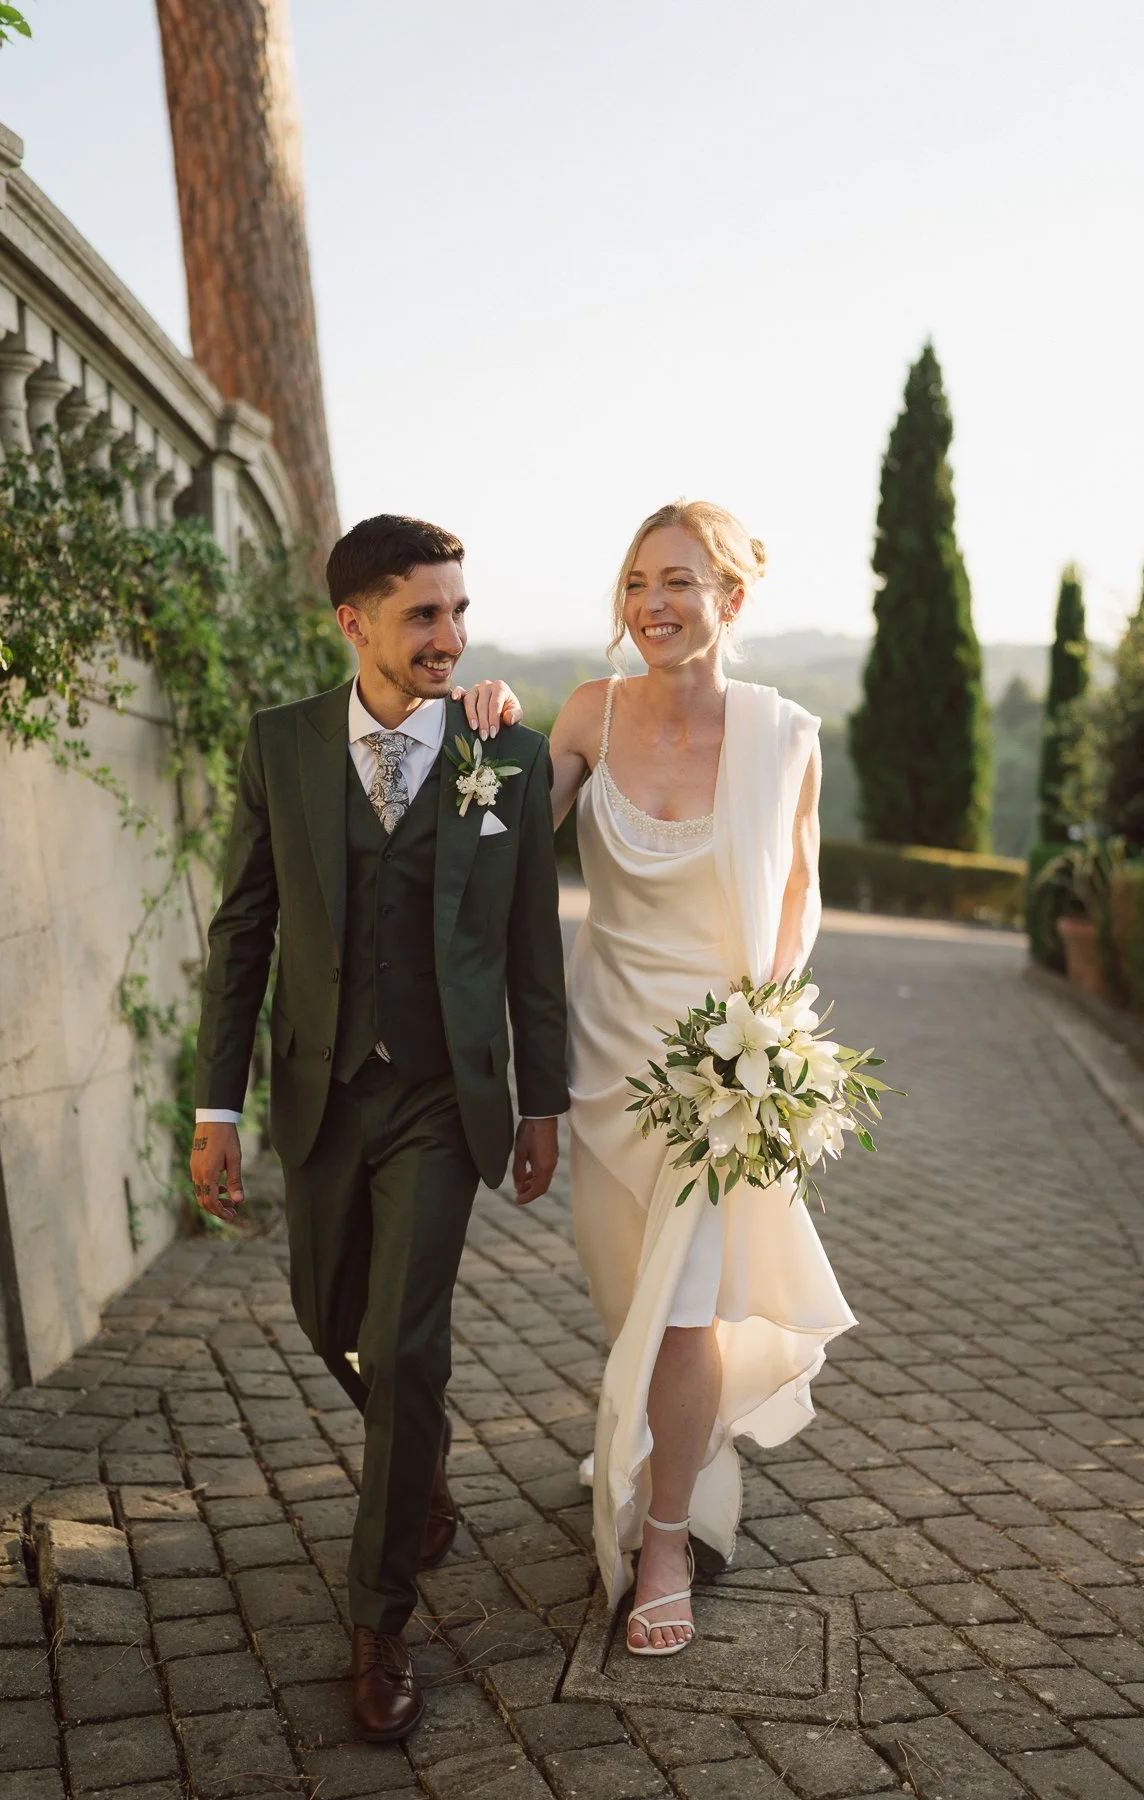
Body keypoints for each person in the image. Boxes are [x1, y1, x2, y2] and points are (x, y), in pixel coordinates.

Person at [189, 514, 568, 1739]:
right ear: (353, 622)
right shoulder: (282, 746)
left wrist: (543, 1099)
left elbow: (530, 950)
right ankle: (422, 1471)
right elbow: (245, 929)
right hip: (322, 1088)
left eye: (460, 612)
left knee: (405, 1349)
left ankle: (380, 1623)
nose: (449, 636)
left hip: (444, 1100)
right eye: (423, 614)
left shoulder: (503, 758)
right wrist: (216, 1103)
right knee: (324, 1318)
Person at [461, 500, 855, 1655]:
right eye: (637, 583)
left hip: (719, 1082)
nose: (652, 605)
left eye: (678, 581)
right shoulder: (591, 711)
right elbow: (515, 833)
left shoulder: (786, 736)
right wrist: (492, 731)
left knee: (686, 1315)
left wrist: (770, 1038)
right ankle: (663, 1442)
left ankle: (668, 1538)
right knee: (632, 1299)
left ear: (731, 599)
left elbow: (800, 894)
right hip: (603, 1061)